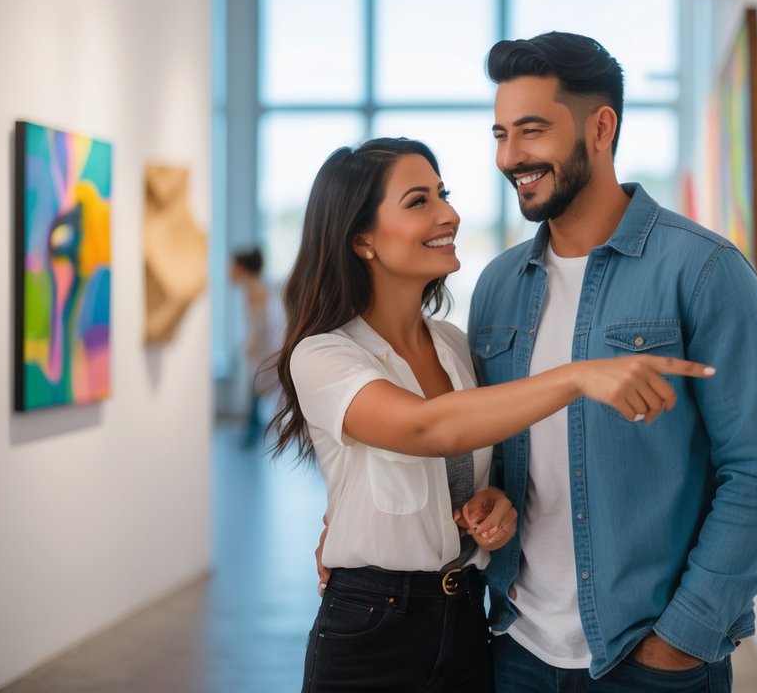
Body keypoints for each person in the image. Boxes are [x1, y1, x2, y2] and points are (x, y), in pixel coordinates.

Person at [272, 137, 717, 693]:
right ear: (362, 239)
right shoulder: (323, 354)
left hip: (466, 620)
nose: (449, 214)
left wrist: (495, 507)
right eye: (419, 201)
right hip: (371, 628)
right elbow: (427, 428)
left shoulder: (456, 346)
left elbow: (477, 458)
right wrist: (580, 375)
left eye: (444, 193)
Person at [470, 31, 757, 692]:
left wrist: (683, 636)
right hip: (516, 647)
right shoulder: (498, 286)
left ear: (600, 127)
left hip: (648, 659)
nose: (510, 157)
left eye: (530, 132)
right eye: (500, 134)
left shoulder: (702, 270)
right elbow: (497, 457)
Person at [229, 247, 284, 447]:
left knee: (256, 390)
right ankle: (253, 428)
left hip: (266, 350)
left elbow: (263, 323)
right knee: (255, 391)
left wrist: (251, 344)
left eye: (232, 266)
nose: (229, 271)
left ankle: (253, 430)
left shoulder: (255, 290)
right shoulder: (256, 288)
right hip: (266, 349)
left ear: (242, 268)